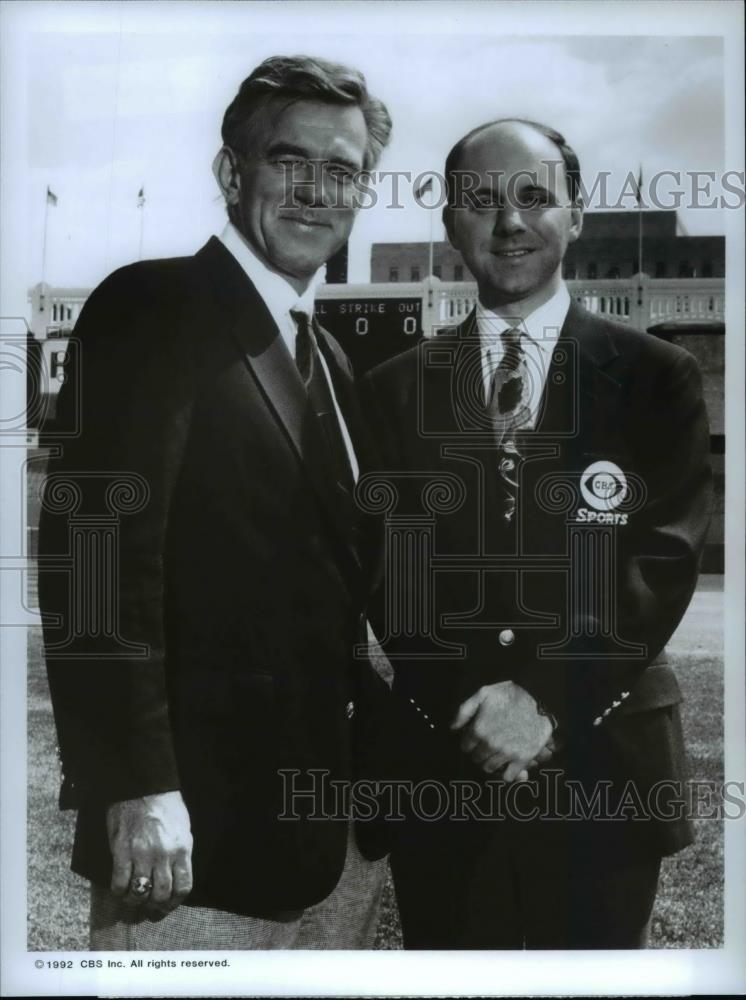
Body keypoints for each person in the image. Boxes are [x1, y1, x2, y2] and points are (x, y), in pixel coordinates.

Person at [38, 54, 393, 950]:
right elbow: (96, 563)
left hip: (335, 841)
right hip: (191, 847)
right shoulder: (155, 307)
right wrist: (135, 784)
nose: (316, 189)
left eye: (343, 170)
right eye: (289, 160)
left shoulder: (332, 359)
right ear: (232, 172)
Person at [362, 118, 712, 949]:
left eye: (534, 196)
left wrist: (547, 696)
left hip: (608, 766)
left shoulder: (656, 376)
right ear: (449, 223)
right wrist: (477, 712)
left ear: (576, 212)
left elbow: (660, 560)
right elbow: (388, 575)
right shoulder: (392, 390)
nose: (509, 221)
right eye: (481, 201)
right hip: (449, 763)